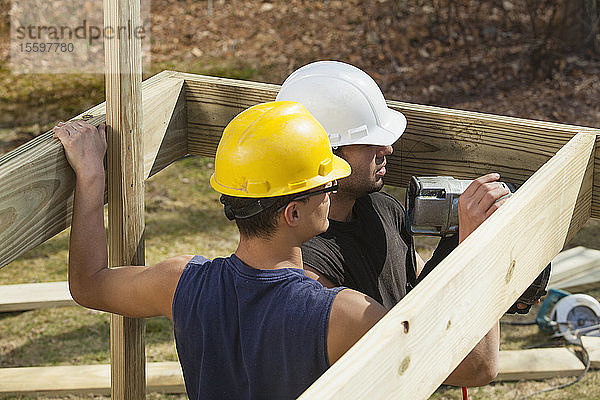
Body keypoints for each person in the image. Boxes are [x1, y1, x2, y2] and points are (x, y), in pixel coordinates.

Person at [52, 101, 389, 399]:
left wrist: (91, 175)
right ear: (294, 213)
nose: (331, 194)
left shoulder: (181, 283)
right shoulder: (346, 314)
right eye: (326, 186)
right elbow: (438, 363)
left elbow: (88, 284)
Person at [277, 61, 504, 386]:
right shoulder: (307, 266)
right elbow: (479, 368)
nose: (388, 149)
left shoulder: (382, 209)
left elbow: (418, 289)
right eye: (369, 141)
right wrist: (478, 250)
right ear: (327, 152)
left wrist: (460, 245)